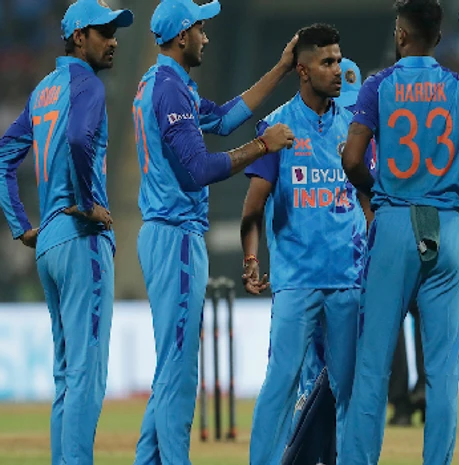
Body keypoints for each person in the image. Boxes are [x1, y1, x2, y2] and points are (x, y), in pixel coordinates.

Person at [339, 0, 459, 463]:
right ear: (437, 39)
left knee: (373, 367)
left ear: (400, 35)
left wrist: (372, 195)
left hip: (394, 222)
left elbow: (352, 158)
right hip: (449, 229)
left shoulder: (378, 86)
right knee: (441, 371)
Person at [131, 1, 297, 463]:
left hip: (167, 234)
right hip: (175, 237)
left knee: (171, 367)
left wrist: (281, 69)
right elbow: (201, 167)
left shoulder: (162, 84)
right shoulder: (168, 91)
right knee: (181, 373)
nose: (207, 37)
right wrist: (263, 145)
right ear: (182, 36)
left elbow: (223, 119)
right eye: (201, 28)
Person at [0, 1, 133, 464]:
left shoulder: (42, 91)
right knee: (87, 374)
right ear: (77, 37)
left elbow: (0, 161)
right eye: (104, 32)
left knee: (66, 375)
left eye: (114, 32)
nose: (113, 41)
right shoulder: (86, 83)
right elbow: (76, 138)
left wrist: (22, 227)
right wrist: (91, 204)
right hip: (81, 240)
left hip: (49, 242)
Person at [240, 24, 372, 465]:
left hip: (348, 279)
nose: (337, 70)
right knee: (280, 382)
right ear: (302, 70)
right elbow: (253, 206)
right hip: (296, 281)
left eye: (339, 60)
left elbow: (368, 199)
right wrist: (252, 257)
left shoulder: (354, 128)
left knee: (351, 387)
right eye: (327, 62)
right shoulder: (277, 127)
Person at [292, 55, 365, 429]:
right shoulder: (302, 134)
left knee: (339, 381)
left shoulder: (363, 144)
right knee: (313, 378)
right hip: (319, 276)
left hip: (349, 276)